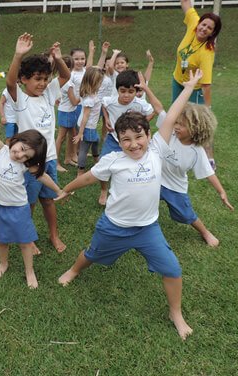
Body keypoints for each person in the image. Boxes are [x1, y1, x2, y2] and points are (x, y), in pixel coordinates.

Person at [56, 70, 204, 341]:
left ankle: (176, 313)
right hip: (114, 226)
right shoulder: (113, 160)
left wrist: (190, 86)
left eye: (139, 137)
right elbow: (88, 177)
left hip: (148, 229)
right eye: (126, 140)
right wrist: (66, 189)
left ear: (149, 135)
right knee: (91, 254)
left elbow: (171, 114)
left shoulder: (158, 148)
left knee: (172, 268)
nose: (134, 144)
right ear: (118, 139)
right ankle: (73, 270)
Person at [0, 97, 63, 288]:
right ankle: (3, 264)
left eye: (26, 155)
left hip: (19, 208)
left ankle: (30, 271)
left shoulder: (26, 165)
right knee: (2, 240)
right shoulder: (1, 150)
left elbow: (43, 176)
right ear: (17, 140)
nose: (20, 155)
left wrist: (59, 190)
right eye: (22, 149)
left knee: (25, 242)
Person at [5, 33, 70, 253]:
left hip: (49, 159)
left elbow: (66, 76)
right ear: (24, 80)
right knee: (29, 202)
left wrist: (59, 59)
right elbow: (9, 81)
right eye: (37, 79)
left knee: (49, 200)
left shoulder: (49, 95)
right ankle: (28, 237)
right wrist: (18, 55)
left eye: (45, 79)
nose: (42, 83)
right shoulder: (20, 100)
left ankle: (54, 235)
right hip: (29, 162)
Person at [158, 103, 234, 247]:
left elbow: (209, 173)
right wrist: (145, 88)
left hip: (174, 187)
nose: (176, 127)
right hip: (155, 179)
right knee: (140, 197)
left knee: (186, 214)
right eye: (176, 122)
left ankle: (205, 232)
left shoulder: (197, 152)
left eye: (182, 125)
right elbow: (159, 109)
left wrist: (221, 192)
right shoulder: (170, 134)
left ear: (196, 129)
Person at [171, 0, 223, 165]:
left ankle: (209, 158)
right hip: (178, 80)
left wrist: (207, 107)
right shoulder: (193, 24)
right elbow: (186, 1)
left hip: (196, 88)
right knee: (176, 114)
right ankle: (176, 148)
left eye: (209, 28)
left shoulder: (207, 53)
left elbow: (207, 83)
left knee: (200, 121)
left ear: (212, 33)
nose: (203, 28)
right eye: (204, 24)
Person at [97, 70, 154, 205]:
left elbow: (152, 112)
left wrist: (141, 124)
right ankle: (104, 190)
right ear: (117, 90)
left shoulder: (139, 104)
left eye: (130, 92)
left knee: (135, 165)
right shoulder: (110, 101)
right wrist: (106, 119)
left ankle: (134, 189)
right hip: (114, 139)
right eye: (122, 91)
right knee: (102, 164)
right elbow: (103, 104)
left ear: (136, 92)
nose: (126, 95)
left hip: (132, 142)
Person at [72, 66, 104, 176]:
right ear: (93, 83)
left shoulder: (89, 93)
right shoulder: (90, 99)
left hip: (88, 127)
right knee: (84, 150)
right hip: (87, 127)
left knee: (96, 141)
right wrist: (80, 133)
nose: (101, 84)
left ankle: (96, 160)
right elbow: (85, 117)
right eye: (100, 82)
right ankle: (80, 172)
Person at [54, 55, 79, 171]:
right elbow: (74, 102)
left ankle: (68, 158)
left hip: (67, 111)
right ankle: (56, 163)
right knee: (61, 137)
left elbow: (56, 98)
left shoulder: (56, 81)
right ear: (69, 69)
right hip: (67, 112)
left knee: (72, 135)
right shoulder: (68, 84)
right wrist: (84, 96)